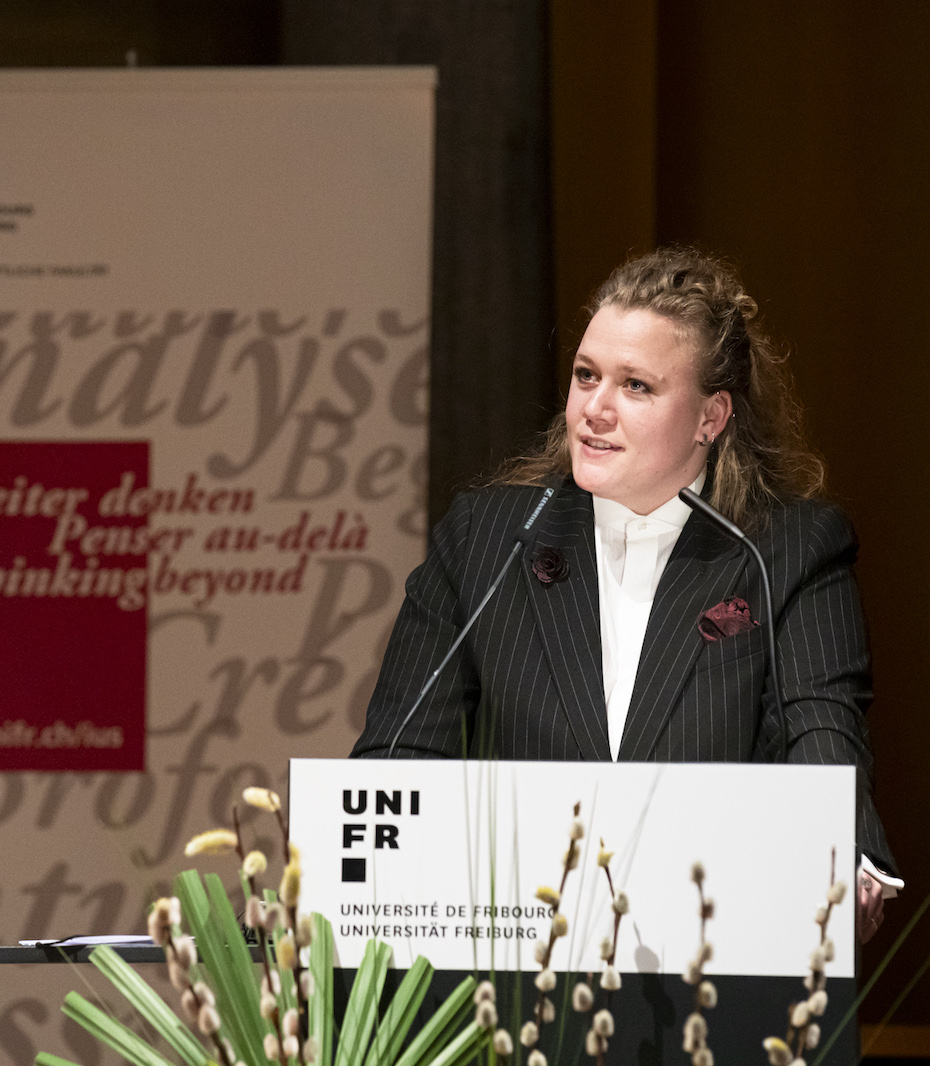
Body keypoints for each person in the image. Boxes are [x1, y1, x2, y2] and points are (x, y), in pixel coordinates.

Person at [352, 247, 898, 939]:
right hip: (514, 955)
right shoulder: (487, 540)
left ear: (710, 417)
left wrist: (840, 845)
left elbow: (819, 725)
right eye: (586, 375)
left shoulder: (786, 551)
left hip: (711, 949)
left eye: (635, 386)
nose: (594, 408)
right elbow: (400, 756)